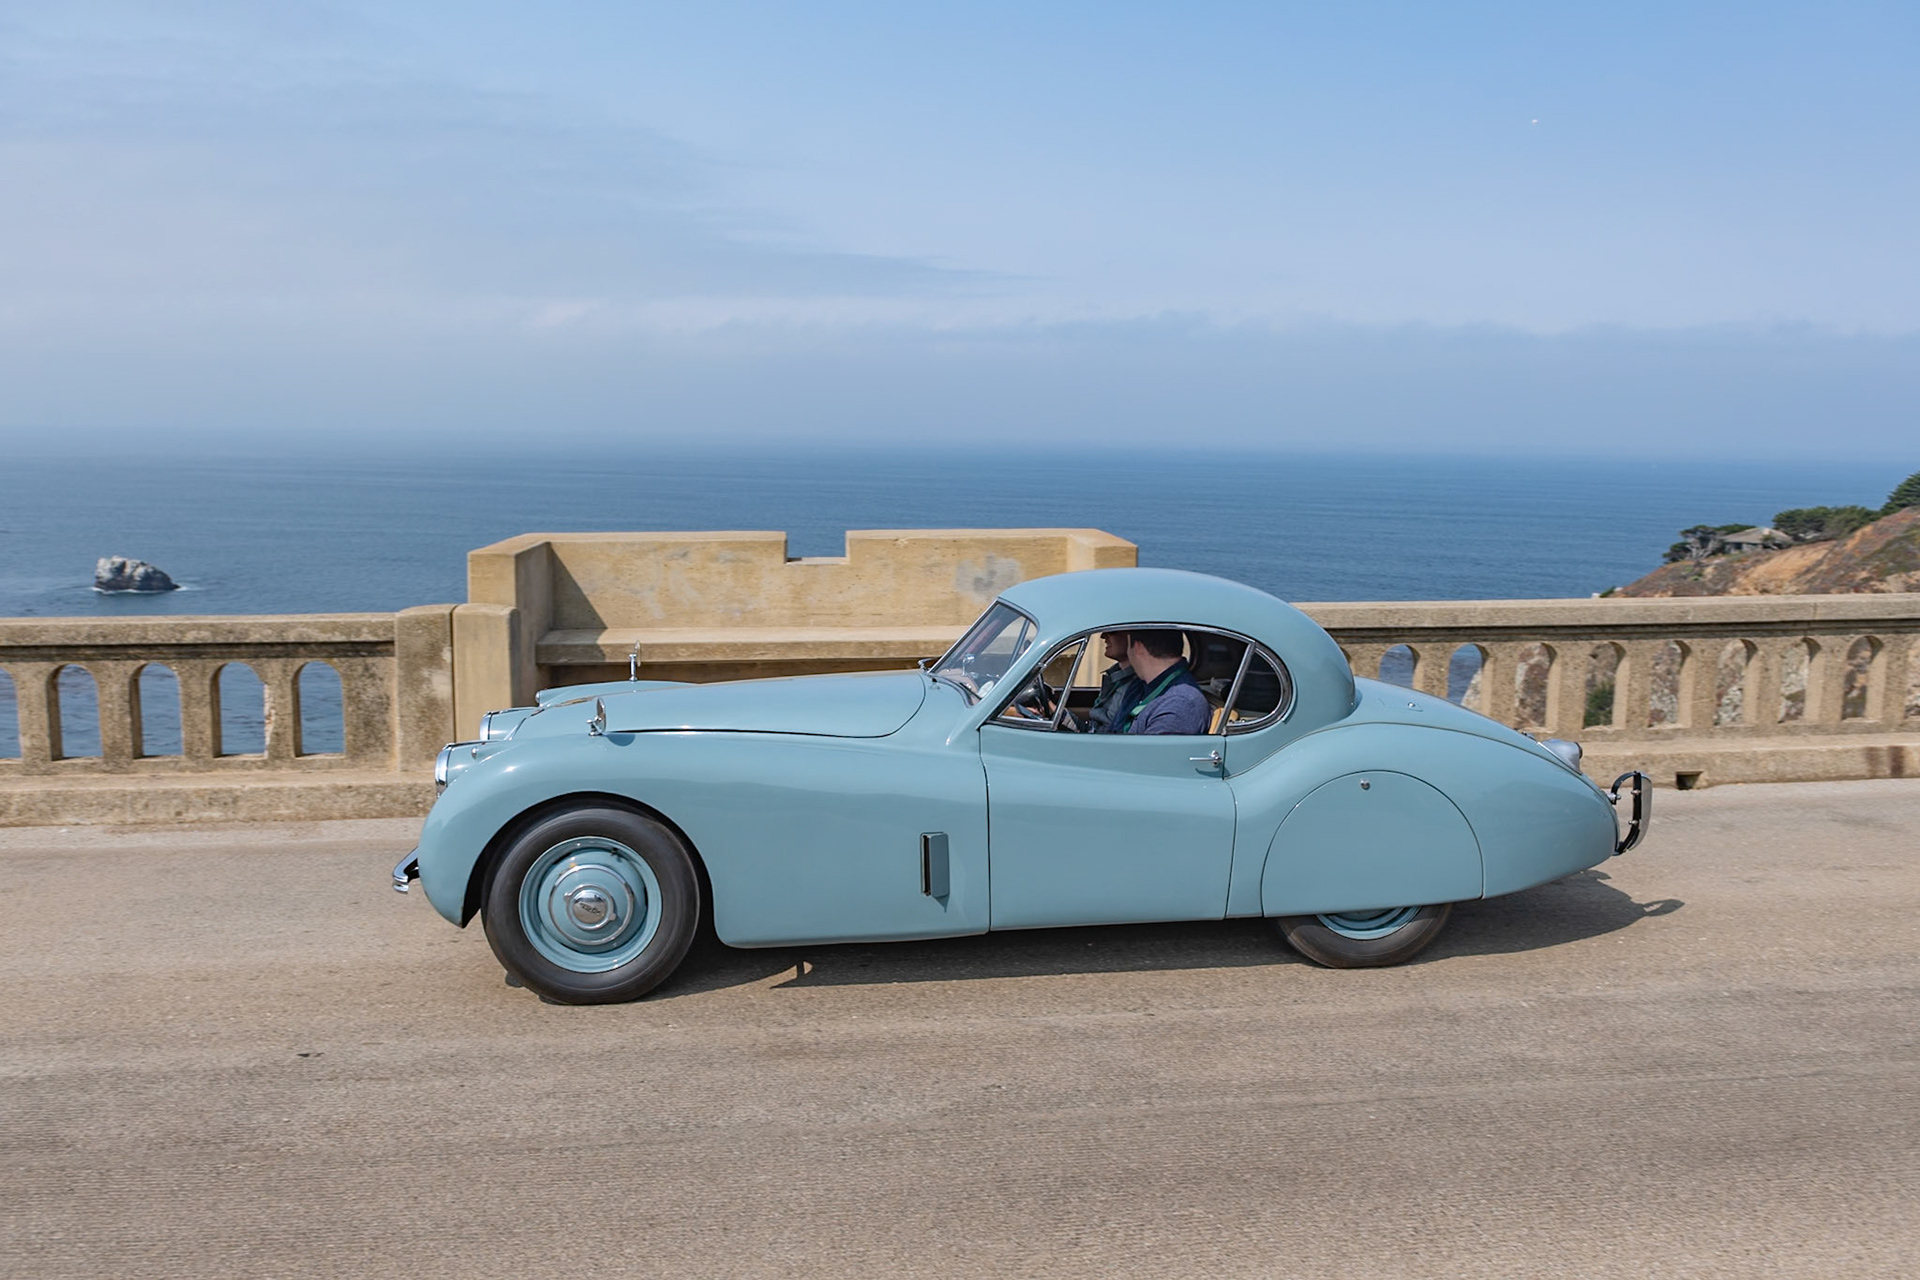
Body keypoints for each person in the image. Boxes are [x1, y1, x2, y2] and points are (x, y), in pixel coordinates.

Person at [1101, 629, 1210, 735]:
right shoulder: (1140, 686)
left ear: (1138, 647)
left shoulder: (1180, 705)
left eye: (1129, 645)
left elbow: (1149, 753)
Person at [1084, 631, 1135, 732]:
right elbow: (1094, 730)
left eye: (1112, 632)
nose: (1103, 637)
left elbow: (1108, 732)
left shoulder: (1135, 685)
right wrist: (1062, 716)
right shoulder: (1115, 677)